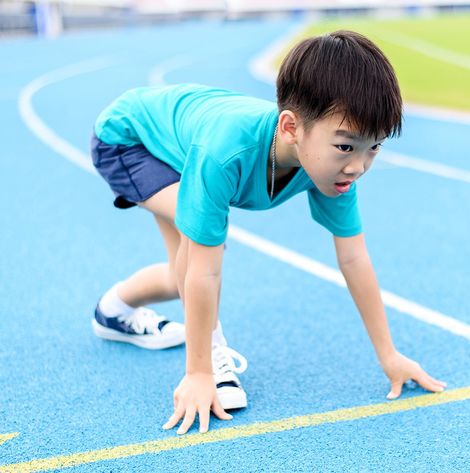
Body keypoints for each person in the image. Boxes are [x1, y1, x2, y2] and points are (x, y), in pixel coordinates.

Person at [90, 30, 447, 436]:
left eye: (375, 147)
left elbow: (353, 257)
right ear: (292, 127)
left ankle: (113, 311)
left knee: (184, 271)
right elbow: (205, 271)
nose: (360, 166)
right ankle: (211, 356)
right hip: (130, 140)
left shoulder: (333, 168)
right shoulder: (226, 152)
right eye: (347, 147)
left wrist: (389, 355)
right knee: (203, 249)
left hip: (181, 140)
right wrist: (199, 373)